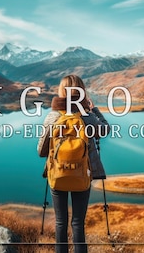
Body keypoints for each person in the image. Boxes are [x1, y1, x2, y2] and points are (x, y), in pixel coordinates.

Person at [37, 74, 109, 253]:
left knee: (60, 222)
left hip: (57, 175)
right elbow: (105, 129)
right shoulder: (87, 116)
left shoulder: (53, 116)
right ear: (82, 92)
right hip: (82, 175)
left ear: (61, 92)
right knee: (78, 223)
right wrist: (95, 111)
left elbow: (41, 151)